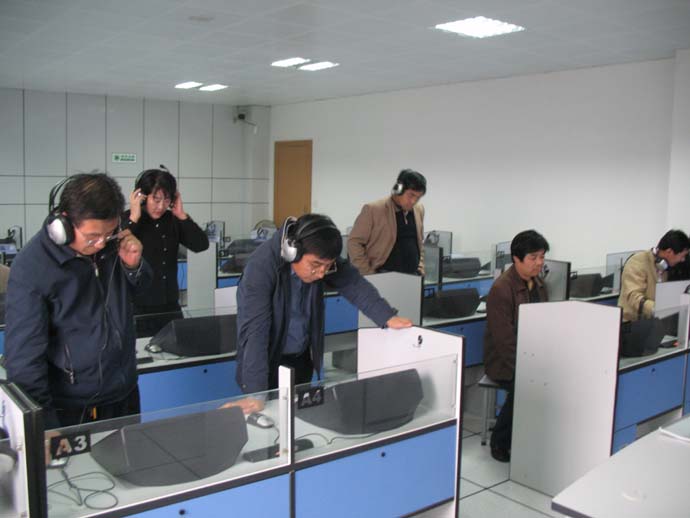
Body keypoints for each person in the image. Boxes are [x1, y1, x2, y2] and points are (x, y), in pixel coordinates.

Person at [5, 173, 152, 429]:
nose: (101, 244)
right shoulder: (32, 267)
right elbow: (24, 359)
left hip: (124, 395)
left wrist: (134, 267)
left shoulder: (114, 245)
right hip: (72, 408)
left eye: (108, 233)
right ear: (62, 225)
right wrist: (44, 426)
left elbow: (142, 292)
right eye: (92, 236)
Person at [233, 214, 413, 412]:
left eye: (327, 267)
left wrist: (387, 316)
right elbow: (255, 332)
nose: (321, 274)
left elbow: (353, 283)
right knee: (269, 419)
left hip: (301, 358)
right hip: (266, 363)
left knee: (301, 419)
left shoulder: (319, 256)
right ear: (292, 252)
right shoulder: (260, 269)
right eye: (316, 265)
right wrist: (257, 393)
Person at [483, 230, 549, 463]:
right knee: (526, 385)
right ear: (516, 259)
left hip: (530, 356)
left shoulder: (539, 284)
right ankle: (500, 441)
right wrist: (525, 368)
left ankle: (532, 437)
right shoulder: (501, 289)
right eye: (533, 257)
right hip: (504, 360)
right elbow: (505, 341)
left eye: (542, 257)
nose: (539, 263)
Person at [124, 166, 209, 337]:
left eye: (166, 199)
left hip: (169, 305)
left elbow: (201, 245)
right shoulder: (128, 220)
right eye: (156, 200)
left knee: (178, 348)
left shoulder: (173, 220)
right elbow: (115, 250)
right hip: (137, 307)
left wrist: (181, 215)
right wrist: (133, 218)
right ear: (142, 196)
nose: (161, 206)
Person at [348, 169, 426, 275]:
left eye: (418, 197)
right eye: (411, 195)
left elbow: (419, 242)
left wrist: (420, 267)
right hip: (382, 275)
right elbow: (354, 242)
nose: (413, 201)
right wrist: (368, 273)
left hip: (413, 275)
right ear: (399, 189)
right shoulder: (373, 210)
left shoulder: (419, 209)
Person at [618, 229, 690, 322]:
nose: (683, 260)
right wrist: (658, 309)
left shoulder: (667, 266)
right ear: (669, 252)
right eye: (682, 256)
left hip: (653, 322)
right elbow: (634, 297)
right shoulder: (637, 262)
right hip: (631, 323)